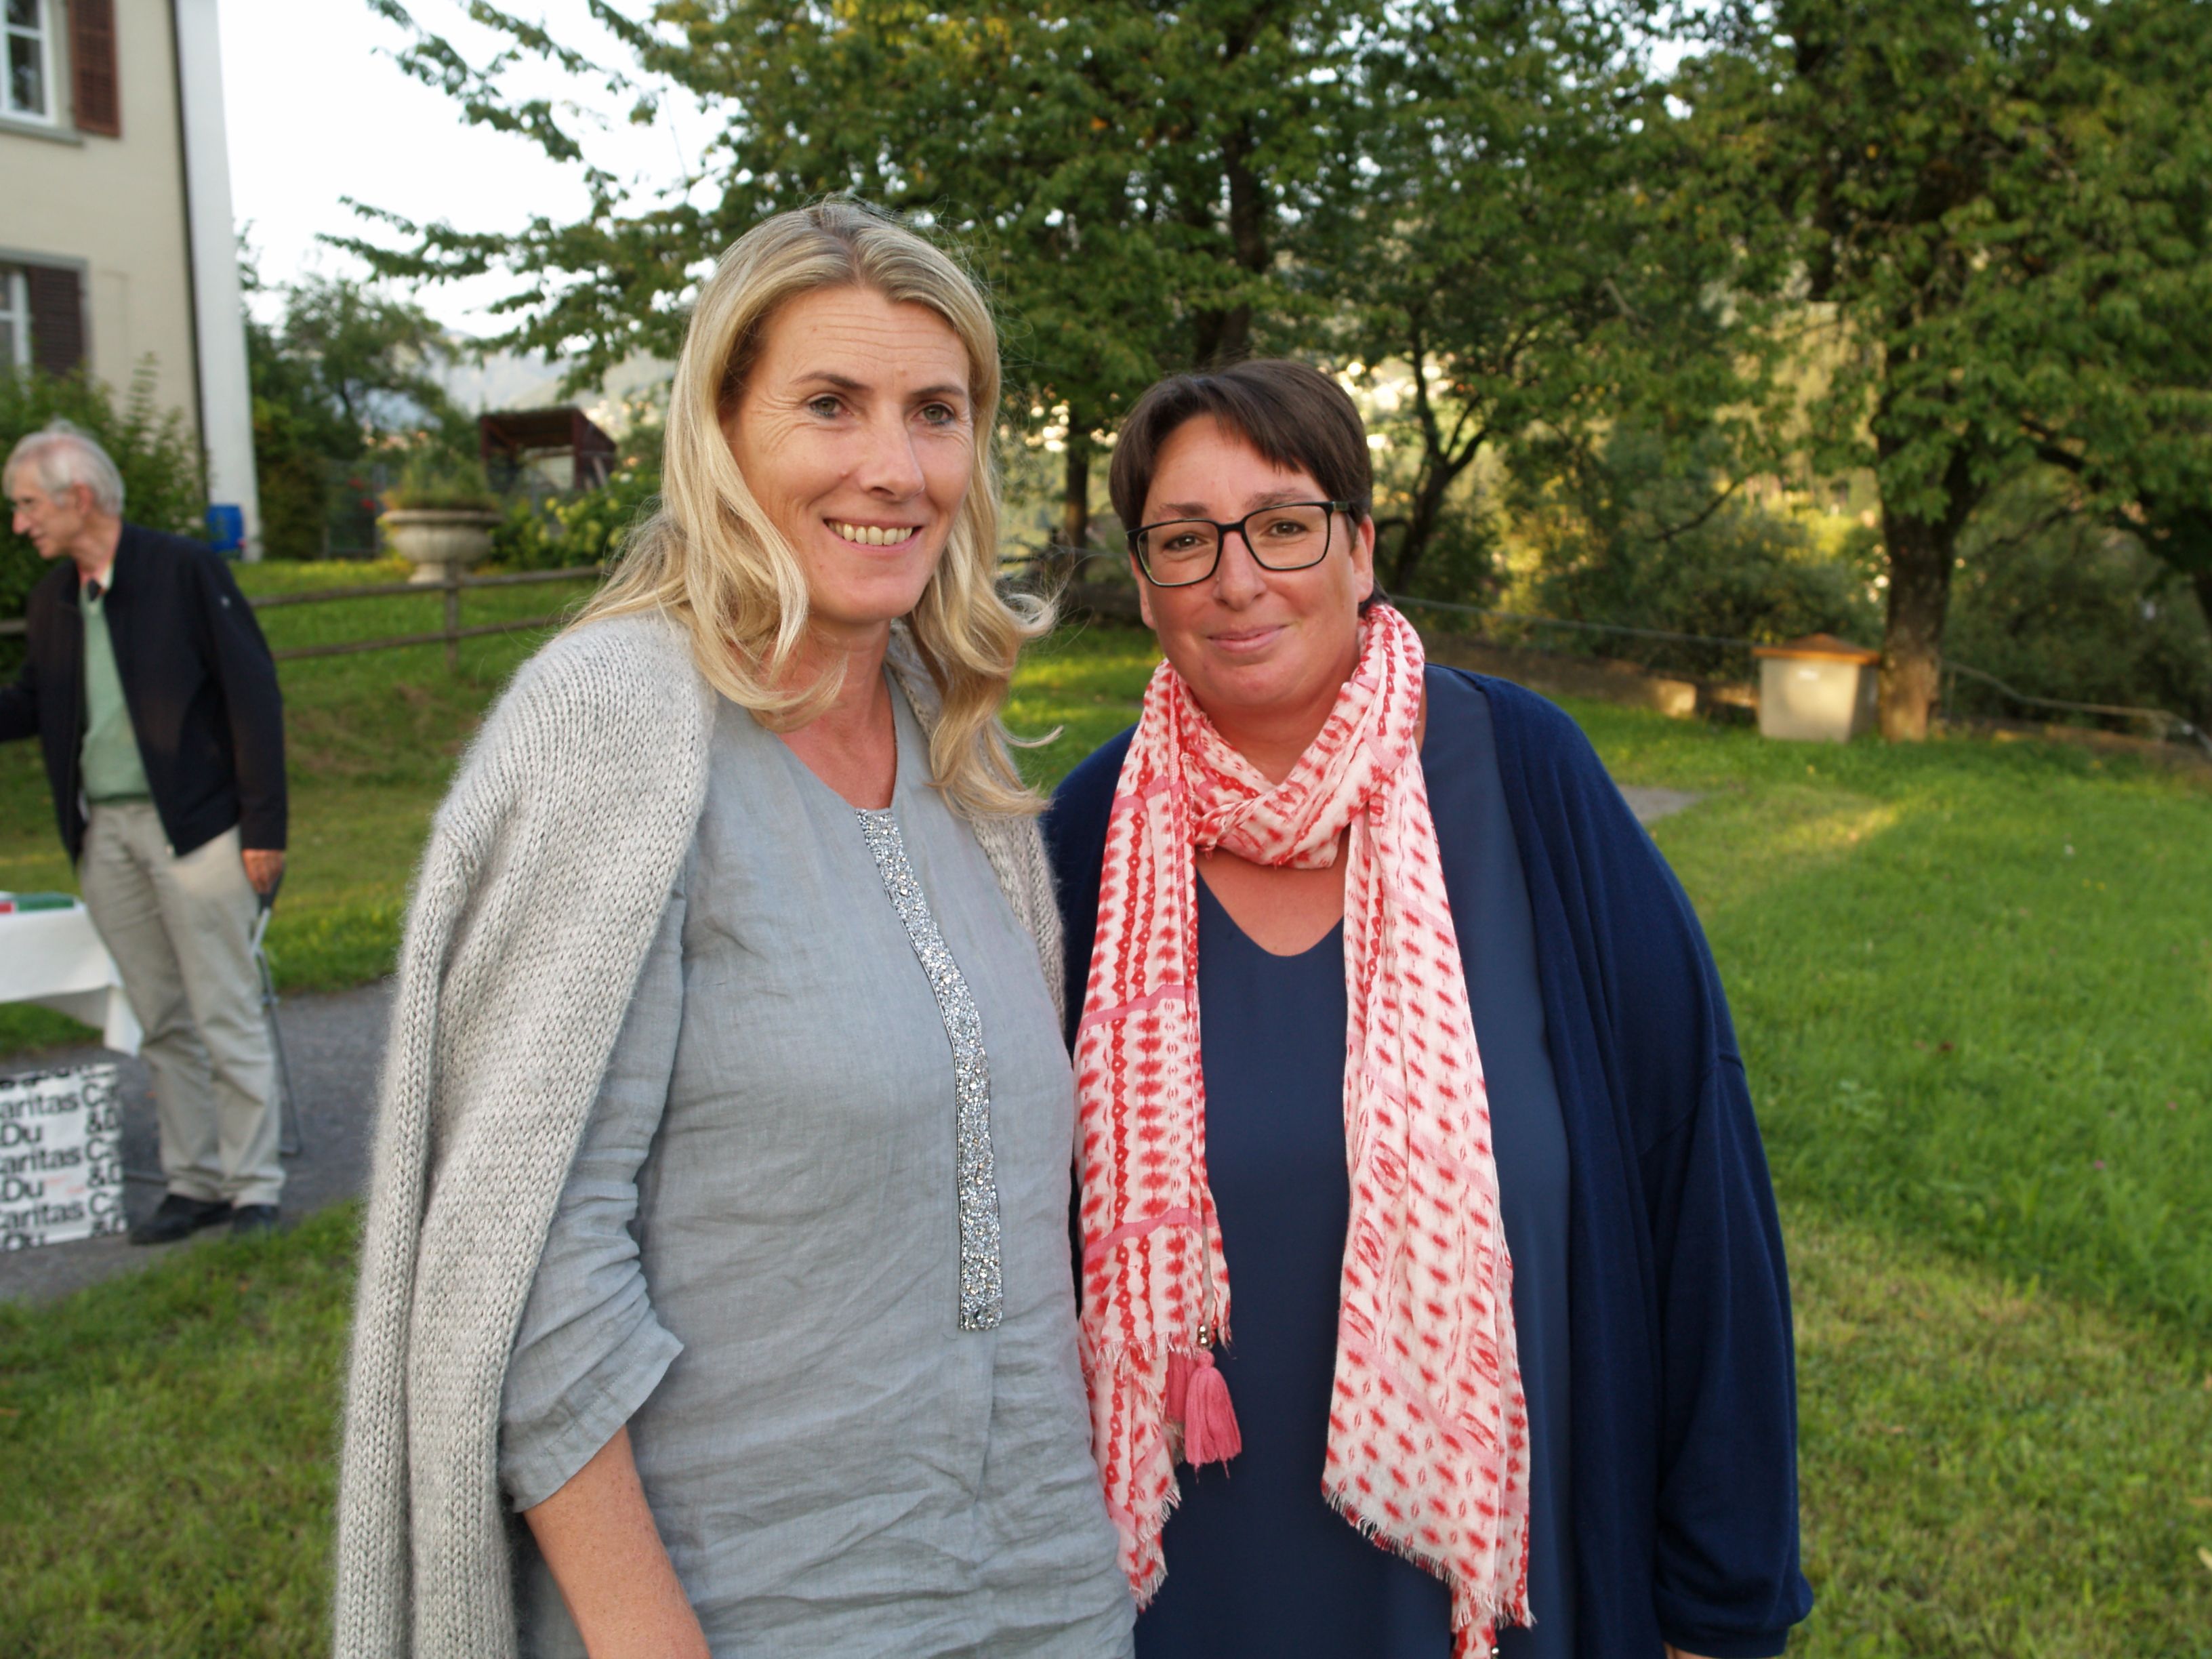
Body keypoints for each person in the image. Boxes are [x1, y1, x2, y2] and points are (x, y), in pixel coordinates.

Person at [333, 202, 1133, 1659]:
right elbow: (532, 1264)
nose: (893, 466)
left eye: (935, 412)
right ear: (718, 429)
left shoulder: (959, 756)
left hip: (1041, 1582)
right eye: (829, 404)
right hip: (744, 1600)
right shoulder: (619, 725)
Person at [1043, 361, 1814, 1659]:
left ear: (1359, 545)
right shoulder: (1083, 835)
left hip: (1496, 1601)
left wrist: (1715, 1603)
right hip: (1175, 1602)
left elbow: (1695, 1176)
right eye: (1183, 539)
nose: (1235, 577)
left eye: (1282, 524)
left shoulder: (1522, 778)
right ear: (1141, 579)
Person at [1, 422, 288, 1242]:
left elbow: (252, 695)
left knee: (224, 1008)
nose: (20, 524)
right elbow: (31, 703)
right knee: (159, 1016)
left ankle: (255, 1187)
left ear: (77, 497)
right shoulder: (53, 600)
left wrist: (264, 826)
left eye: (28, 505)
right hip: (106, 838)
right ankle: (195, 1181)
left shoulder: (185, 570)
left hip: (198, 832)